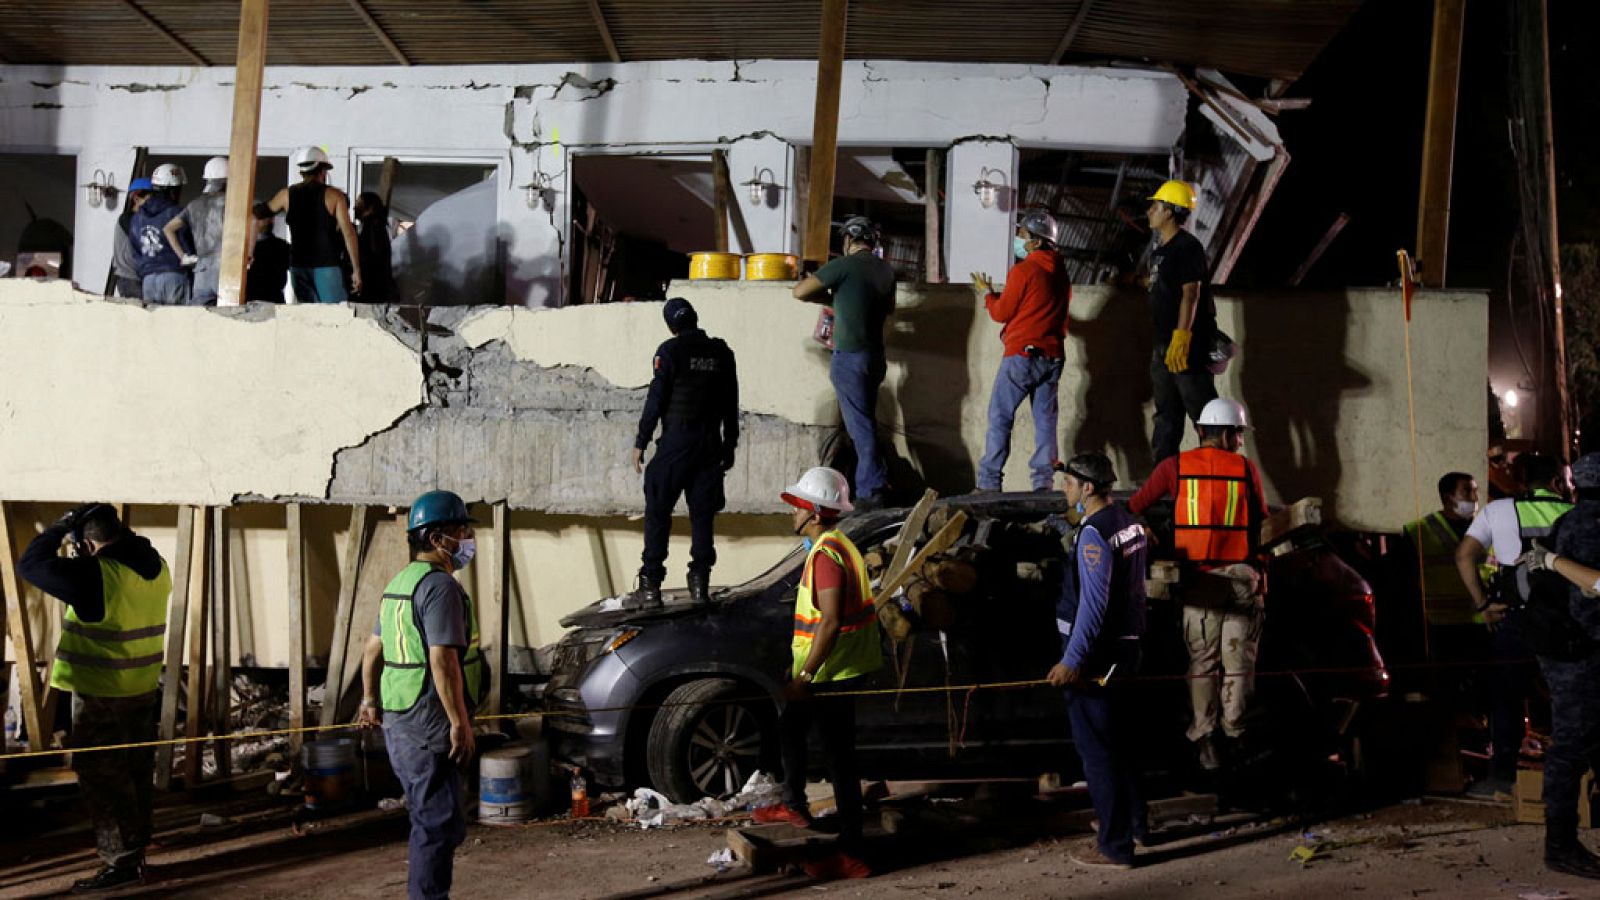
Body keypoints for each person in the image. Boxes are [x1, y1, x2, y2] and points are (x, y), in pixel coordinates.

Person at [17, 504, 171, 892]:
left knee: (103, 778)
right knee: (135, 770)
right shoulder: (155, 565)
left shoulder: (98, 576)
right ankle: (136, 848)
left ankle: (120, 861)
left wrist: (61, 526)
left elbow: (31, 564)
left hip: (102, 693)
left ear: (88, 543)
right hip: (140, 686)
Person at [752, 467, 879, 880]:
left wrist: (804, 677)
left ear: (813, 511)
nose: (791, 514)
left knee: (841, 764)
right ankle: (795, 804)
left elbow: (828, 622)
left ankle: (851, 853)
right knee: (794, 730)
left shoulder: (825, 555)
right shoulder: (838, 545)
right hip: (836, 667)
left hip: (832, 673)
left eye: (797, 507)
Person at [357, 490, 485, 900]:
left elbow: (371, 650)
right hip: (429, 719)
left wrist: (369, 700)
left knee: (442, 819)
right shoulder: (439, 588)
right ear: (435, 538)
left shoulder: (399, 583)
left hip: (400, 715)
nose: (466, 537)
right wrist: (459, 722)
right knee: (434, 820)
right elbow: (442, 661)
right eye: (459, 529)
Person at [1128, 397, 1268, 770]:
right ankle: (1235, 734)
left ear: (1199, 431)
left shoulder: (1175, 466)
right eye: (1238, 435)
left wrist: (1144, 530)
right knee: (1239, 664)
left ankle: (1205, 738)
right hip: (1240, 579)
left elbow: (1133, 507)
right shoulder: (1245, 469)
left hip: (1198, 582)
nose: (1239, 442)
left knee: (1202, 663)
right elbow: (1264, 523)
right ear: (1225, 434)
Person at [1049, 453, 1149, 870]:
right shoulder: (1129, 523)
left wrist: (1073, 659)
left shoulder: (1093, 533)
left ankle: (1114, 846)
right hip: (1127, 649)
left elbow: (1093, 604)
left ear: (1088, 488)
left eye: (1069, 483)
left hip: (1096, 658)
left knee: (1098, 751)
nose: (1065, 488)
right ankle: (1136, 827)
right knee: (1123, 746)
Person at [1455, 451, 1573, 797]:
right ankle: (1572, 780)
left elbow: (1463, 555)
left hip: (1516, 618)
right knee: (1569, 701)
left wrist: (1483, 605)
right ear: (1556, 482)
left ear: (1522, 480)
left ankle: (1503, 777)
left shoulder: (1498, 510)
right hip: (1566, 623)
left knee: (1506, 698)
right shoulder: (1574, 514)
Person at [1516, 452, 1600, 878]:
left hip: (1572, 649)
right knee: (1571, 744)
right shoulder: (1589, 526)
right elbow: (1592, 592)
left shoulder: (1570, 521)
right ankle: (1561, 845)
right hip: (1578, 654)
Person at [627, 297, 739, 608]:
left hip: (676, 444)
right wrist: (730, 444)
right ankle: (700, 585)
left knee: (658, 514)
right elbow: (732, 404)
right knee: (702, 519)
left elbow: (656, 401)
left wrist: (641, 441)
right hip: (709, 447)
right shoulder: (722, 353)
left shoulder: (670, 352)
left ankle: (651, 587)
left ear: (671, 325)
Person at [793, 217, 897, 511]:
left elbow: (799, 291)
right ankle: (870, 481)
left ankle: (872, 488)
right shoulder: (885, 271)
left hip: (849, 357)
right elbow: (888, 309)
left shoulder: (843, 266)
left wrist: (829, 296)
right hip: (875, 358)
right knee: (865, 422)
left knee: (860, 427)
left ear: (848, 240)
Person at [971, 209, 1072, 493]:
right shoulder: (1061, 274)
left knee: (1000, 416)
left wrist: (989, 295)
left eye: (1023, 235)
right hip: (1052, 356)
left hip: (1022, 356)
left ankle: (989, 482)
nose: (1019, 239)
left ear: (1037, 242)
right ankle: (1043, 482)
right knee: (1045, 420)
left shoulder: (1024, 270)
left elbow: (1002, 312)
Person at [1144, 179, 1219, 463]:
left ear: (1170, 211)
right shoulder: (1161, 250)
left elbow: (1191, 293)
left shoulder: (1187, 247)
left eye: (1156, 206)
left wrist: (1182, 336)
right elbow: (1163, 286)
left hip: (1186, 347)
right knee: (1166, 416)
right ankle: (1163, 484)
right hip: (1163, 346)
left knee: (1204, 414)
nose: (1150, 211)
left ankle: (1216, 473)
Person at [268, 145, 361, 303]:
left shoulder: (285, 195)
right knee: (335, 316)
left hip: (298, 266)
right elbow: (348, 233)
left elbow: (260, 214)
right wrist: (357, 270)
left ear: (301, 171)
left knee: (310, 318)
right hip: (327, 266)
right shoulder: (335, 196)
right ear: (323, 171)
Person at [163, 156, 227, 304]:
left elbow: (168, 228)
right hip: (224, 268)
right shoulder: (230, 203)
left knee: (200, 316)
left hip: (202, 270)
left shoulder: (194, 205)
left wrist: (183, 256)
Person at [126, 164, 191, 305]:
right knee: (178, 324)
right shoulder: (176, 214)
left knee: (153, 325)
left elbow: (135, 252)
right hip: (174, 277)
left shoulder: (137, 218)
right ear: (174, 190)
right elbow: (187, 245)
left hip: (148, 280)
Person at [352, 191, 396, 303]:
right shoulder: (376, 225)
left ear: (370, 207)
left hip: (372, 285)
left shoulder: (372, 227)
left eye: (359, 203)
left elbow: (372, 255)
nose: (354, 207)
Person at [112, 179, 152, 299]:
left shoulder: (144, 219)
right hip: (129, 278)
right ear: (136, 199)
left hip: (140, 277)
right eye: (150, 199)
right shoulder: (127, 219)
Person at [246, 202, 290, 303]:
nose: (265, 222)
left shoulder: (282, 246)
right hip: (251, 299)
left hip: (272, 298)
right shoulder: (243, 247)